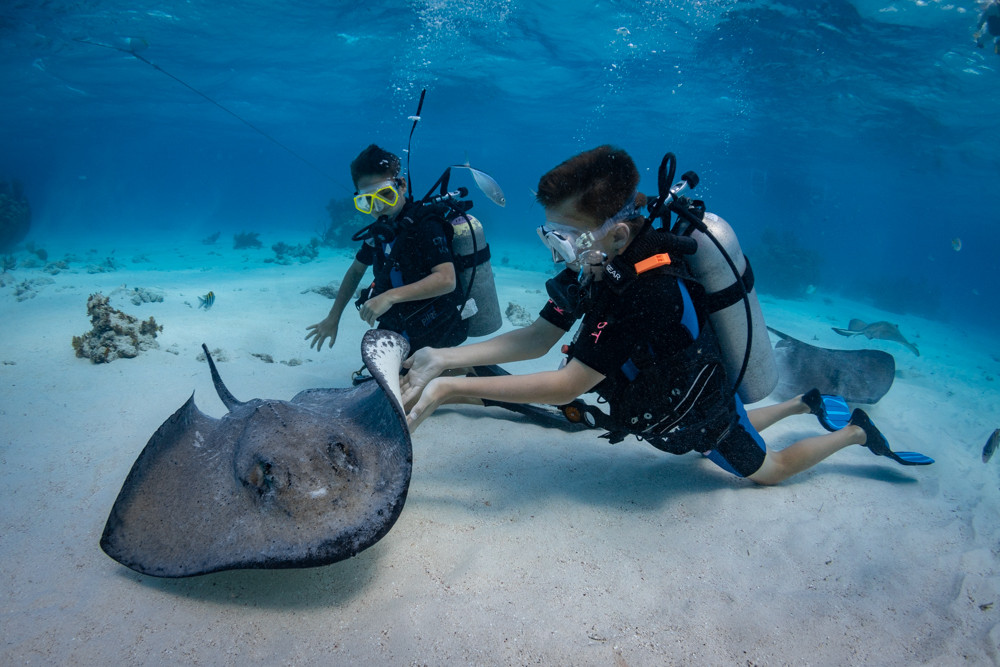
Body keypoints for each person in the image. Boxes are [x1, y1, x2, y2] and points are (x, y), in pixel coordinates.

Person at [400, 145, 933, 485]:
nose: (558, 252)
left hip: (699, 408)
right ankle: (802, 403)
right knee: (725, 435)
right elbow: (536, 338)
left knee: (767, 468)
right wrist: (441, 358)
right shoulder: (596, 266)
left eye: (564, 238)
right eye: (550, 236)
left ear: (616, 233)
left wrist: (449, 388)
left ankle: (854, 434)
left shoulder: (650, 291)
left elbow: (568, 385)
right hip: (675, 407)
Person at [305, 145, 469, 377]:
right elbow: (355, 271)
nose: (378, 207)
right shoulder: (379, 233)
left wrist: (389, 297)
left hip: (438, 324)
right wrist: (333, 317)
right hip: (403, 321)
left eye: (385, 195)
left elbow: (446, 279)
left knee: (409, 383)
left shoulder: (426, 225)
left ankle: (469, 368)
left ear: (401, 186)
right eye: (367, 201)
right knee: (380, 375)